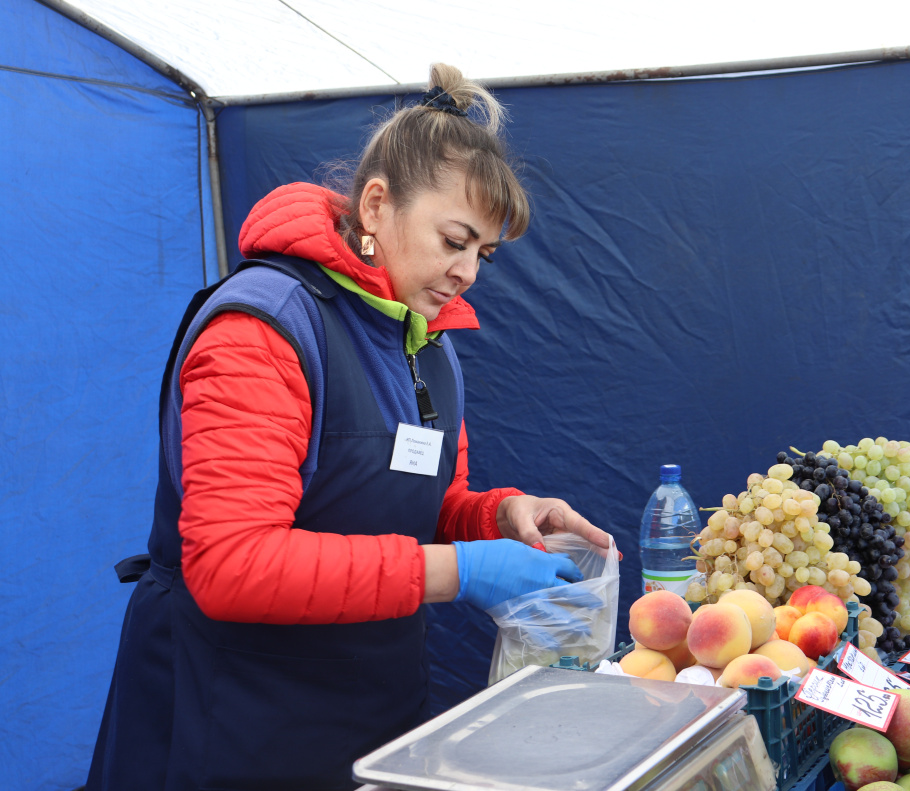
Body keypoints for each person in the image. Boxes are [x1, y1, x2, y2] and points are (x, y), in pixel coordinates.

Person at [85, 63, 612, 791]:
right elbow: (232, 564)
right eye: (454, 239)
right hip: (230, 721)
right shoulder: (263, 327)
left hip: (371, 715)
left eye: (482, 254)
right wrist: (465, 571)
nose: (467, 273)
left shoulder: (429, 346)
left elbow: (419, 507)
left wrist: (493, 518)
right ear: (374, 206)